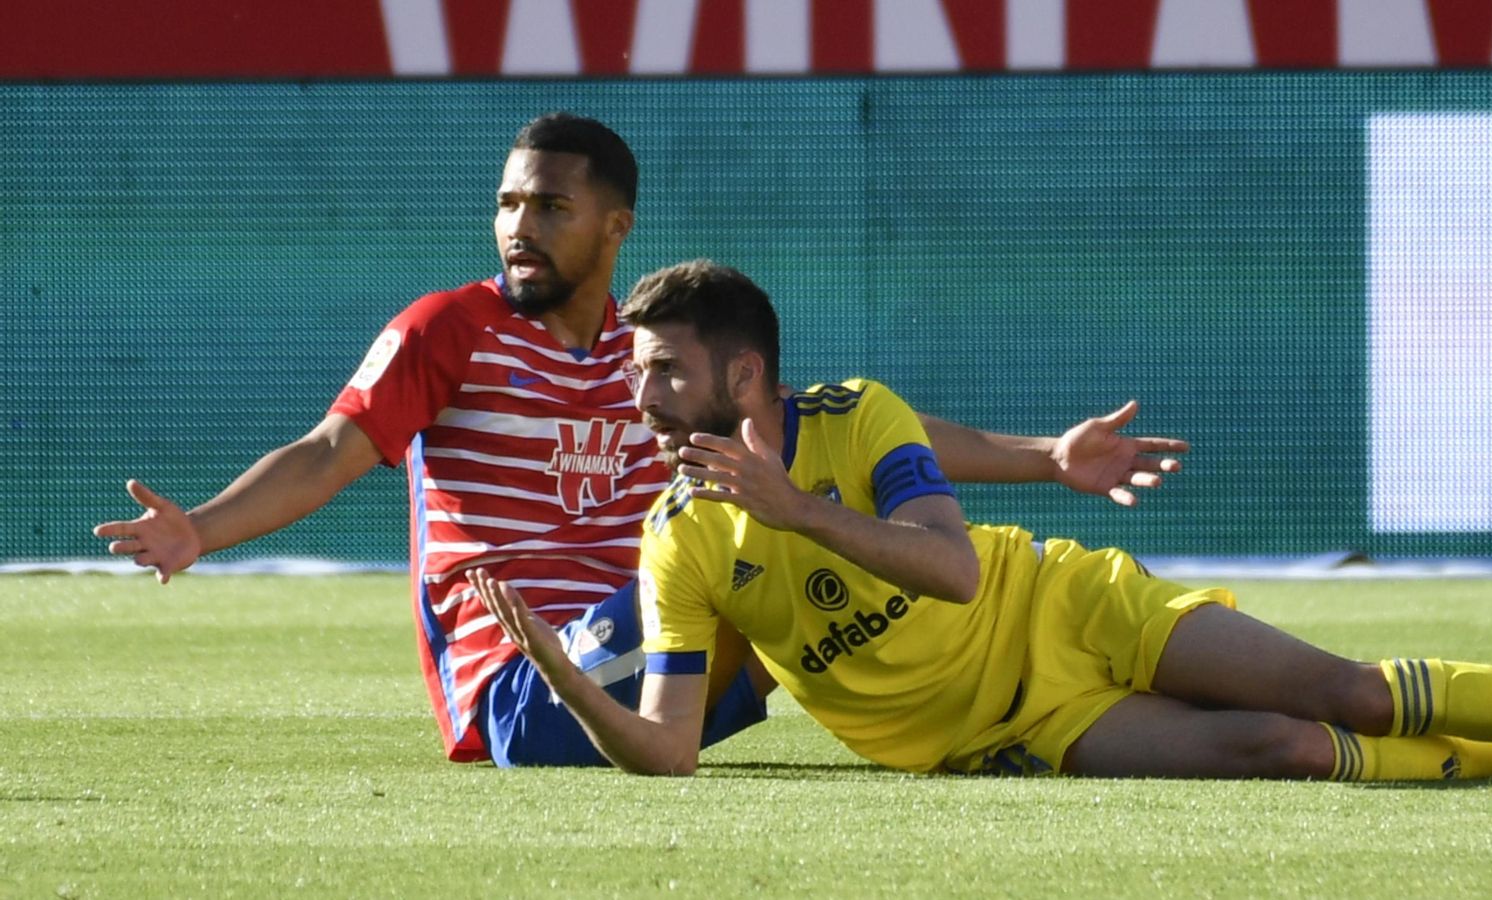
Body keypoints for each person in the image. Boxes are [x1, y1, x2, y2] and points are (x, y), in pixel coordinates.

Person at [92, 114, 1189, 768]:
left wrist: (1045, 458)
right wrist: (202, 531)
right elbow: (332, 449)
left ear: (616, 227)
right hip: (529, 687)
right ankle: (1009, 711)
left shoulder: (653, 354)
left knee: (833, 536)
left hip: (663, 649)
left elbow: (830, 431)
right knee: (815, 564)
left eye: (550, 208)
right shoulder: (447, 332)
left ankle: (1082, 712)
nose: (519, 227)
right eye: (508, 204)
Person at [468, 259, 1492, 780]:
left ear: (746, 374)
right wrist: (563, 674)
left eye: (663, 370)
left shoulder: (860, 415)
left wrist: (798, 513)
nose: (640, 396)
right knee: (1286, 747)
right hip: (1010, 728)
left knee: (1347, 693)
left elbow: (954, 572)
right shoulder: (679, 539)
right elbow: (669, 750)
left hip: (1062, 607)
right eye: (635, 371)